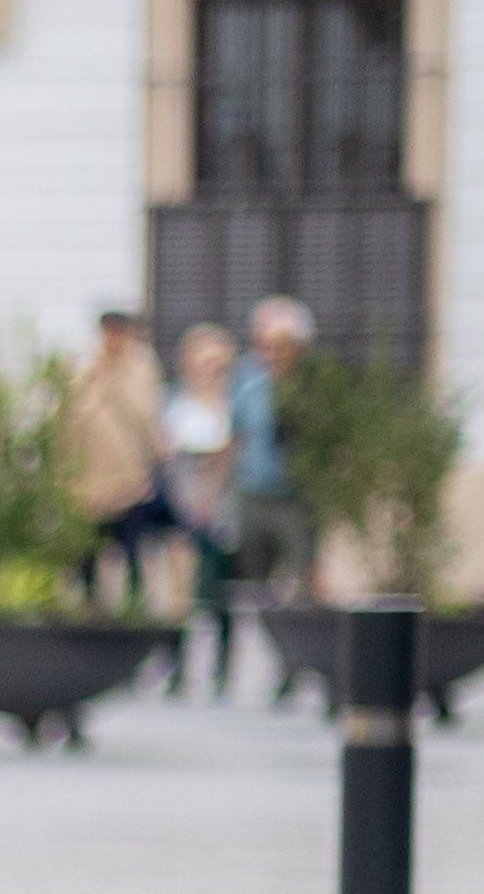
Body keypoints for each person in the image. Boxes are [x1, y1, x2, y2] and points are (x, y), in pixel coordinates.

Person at [227, 296, 319, 665]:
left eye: (279, 345)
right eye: (264, 343)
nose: (270, 352)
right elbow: (236, 433)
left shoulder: (312, 384)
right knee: (257, 586)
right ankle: (278, 654)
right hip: (253, 490)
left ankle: (293, 662)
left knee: (297, 582)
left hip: (296, 496)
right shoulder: (247, 378)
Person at [159, 323, 242, 695]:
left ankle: (221, 670)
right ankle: (177, 668)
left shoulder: (233, 402)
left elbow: (235, 453)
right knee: (181, 594)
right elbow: (166, 454)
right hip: (184, 503)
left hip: (222, 510)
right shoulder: (175, 402)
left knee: (219, 592)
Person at [68, 309, 168, 613]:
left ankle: (134, 608)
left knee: (131, 549)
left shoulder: (141, 368)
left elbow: (147, 419)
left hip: (129, 478)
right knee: (88, 553)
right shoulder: (84, 368)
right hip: (88, 480)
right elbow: (71, 419)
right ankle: (91, 606)